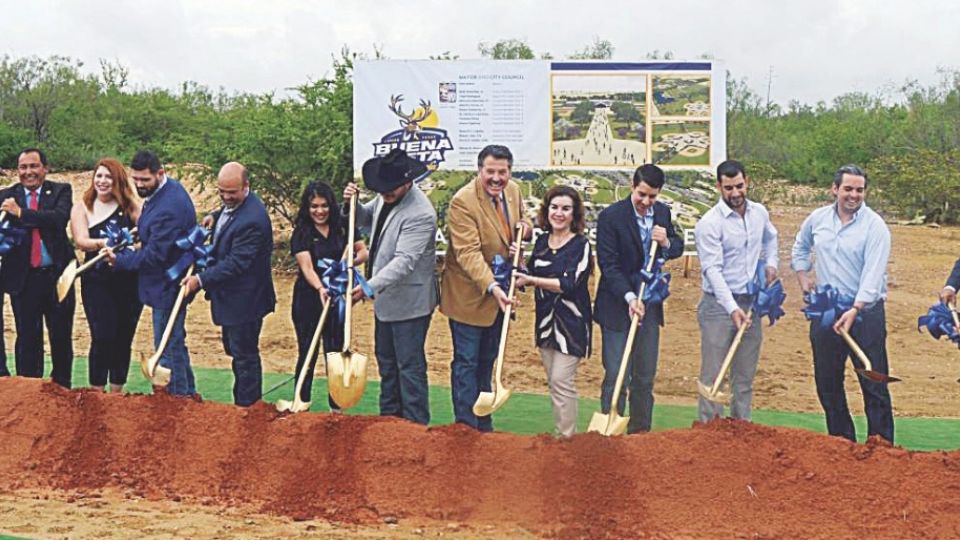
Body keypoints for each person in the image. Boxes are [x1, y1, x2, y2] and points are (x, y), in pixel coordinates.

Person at [791, 164, 894, 443]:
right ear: (835, 189)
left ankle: (881, 446)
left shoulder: (875, 227)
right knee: (828, 382)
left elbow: (873, 275)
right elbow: (800, 247)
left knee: (873, 382)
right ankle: (841, 443)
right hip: (826, 311)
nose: (854, 195)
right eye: (848, 188)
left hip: (865, 313)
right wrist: (804, 279)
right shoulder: (817, 219)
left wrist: (856, 309)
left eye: (859, 190)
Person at [440, 144, 532, 432]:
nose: (496, 178)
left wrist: (524, 231)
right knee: (466, 362)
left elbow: (524, 220)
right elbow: (467, 253)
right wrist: (492, 286)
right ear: (479, 170)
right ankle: (465, 428)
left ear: (510, 172)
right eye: (490, 172)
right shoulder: (463, 202)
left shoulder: (514, 190)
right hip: (470, 296)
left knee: (487, 361)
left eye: (502, 172)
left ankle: (483, 424)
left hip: (500, 299)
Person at [344, 148, 437, 425]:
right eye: (381, 188)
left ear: (408, 182)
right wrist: (353, 204)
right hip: (386, 302)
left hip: (409, 302)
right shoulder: (387, 194)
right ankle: (389, 424)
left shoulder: (421, 214)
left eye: (390, 188)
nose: (385, 193)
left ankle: (415, 427)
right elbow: (366, 218)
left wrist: (368, 287)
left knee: (409, 368)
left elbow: (404, 262)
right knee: (386, 363)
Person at [594, 163, 683, 434]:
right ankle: (610, 432)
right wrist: (631, 297)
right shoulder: (611, 216)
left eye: (652, 196)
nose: (646, 201)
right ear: (632, 187)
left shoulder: (663, 214)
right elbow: (608, 265)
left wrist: (666, 242)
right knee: (617, 374)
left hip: (650, 306)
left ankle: (641, 434)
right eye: (641, 194)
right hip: (618, 304)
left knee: (644, 376)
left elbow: (677, 246)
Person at [181, 162, 276, 407]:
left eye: (231, 193)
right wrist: (213, 216)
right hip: (232, 299)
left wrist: (199, 280)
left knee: (244, 356)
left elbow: (236, 263)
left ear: (246, 187)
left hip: (246, 300)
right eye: (221, 191)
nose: (225, 197)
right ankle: (244, 404)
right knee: (236, 351)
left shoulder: (253, 220)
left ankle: (247, 408)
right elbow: (227, 212)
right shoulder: (237, 205)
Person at [107, 150, 198, 396]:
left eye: (144, 180)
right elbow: (154, 231)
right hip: (165, 280)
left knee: (168, 345)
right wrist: (140, 232)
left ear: (160, 173)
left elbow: (154, 256)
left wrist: (120, 259)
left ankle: (177, 399)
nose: (139, 185)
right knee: (174, 341)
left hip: (169, 282)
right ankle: (188, 394)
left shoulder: (170, 206)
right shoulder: (166, 191)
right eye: (135, 179)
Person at [694, 160, 778, 423]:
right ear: (719, 186)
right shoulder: (709, 224)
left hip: (751, 303)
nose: (735, 193)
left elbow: (771, 236)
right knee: (713, 376)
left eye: (739, 186)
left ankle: (742, 432)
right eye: (728, 188)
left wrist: (772, 263)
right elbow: (712, 270)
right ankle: (710, 435)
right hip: (718, 307)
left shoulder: (759, 213)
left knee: (744, 376)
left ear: (747, 182)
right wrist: (732, 308)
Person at [514, 185, 592, 438]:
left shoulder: (581, 245)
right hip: (546, 322)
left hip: (572, 323)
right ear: (547, 211)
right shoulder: (541, 241)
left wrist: (531, 280)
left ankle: (567, 439)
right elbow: (532, 273)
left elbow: (569, 284)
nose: (559, 213)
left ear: (574, 214)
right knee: (554, 381)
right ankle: (562, 435)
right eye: (555, 207)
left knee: (561, 379)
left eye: (566, 209)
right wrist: (521, 262)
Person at [0, 148, 76, 387]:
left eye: (34, 166)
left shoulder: (61, 191)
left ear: (45, 168)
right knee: (28, 338)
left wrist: (21, 213)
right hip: (23, 280)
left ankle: (62, 390)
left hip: (57, 276)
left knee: (61, 336)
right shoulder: (6, 196)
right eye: (23, 167)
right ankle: (29, 391)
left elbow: (57, 219)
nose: (28, 172)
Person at [289, 180, 367, 410]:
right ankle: (300, 402)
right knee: (308, 351)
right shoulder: (302, 232)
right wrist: (321, 287)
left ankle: (336, 407)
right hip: (309, 298)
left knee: (334, 352)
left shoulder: (344, 225)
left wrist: (348, 264)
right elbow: (307, 267)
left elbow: (363, 251)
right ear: (307, 207)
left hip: (337, 300)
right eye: (314, 206)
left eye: (323, 205)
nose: (319, 211)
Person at [70, 158, 143, 392]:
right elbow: (81, 240)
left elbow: (146, 237)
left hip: (128, 280)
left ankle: (117, 392)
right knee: (102, 335)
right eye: (99, 176)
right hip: (96, 280)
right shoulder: (82, 206)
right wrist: (105, 242)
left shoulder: (131, 205)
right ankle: (96, 392)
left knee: (123, 336)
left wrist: (129, 247)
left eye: (108, 177)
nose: (102, 181)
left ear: (118, 180)